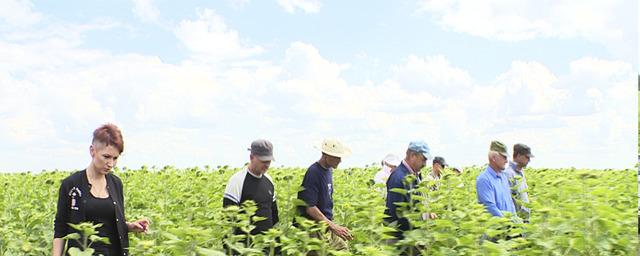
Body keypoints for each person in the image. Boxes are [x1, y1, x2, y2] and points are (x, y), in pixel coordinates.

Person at [53, 124, 149, 256]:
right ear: (92, 151)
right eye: (106, 156)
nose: (111, 163)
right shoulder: (71, 184)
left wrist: (129, 226)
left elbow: (109, 223)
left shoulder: (116, 184)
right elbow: (61, 227)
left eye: (115, 158)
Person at [297, 138, 353, 251]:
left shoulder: (328, 170)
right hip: (313, 227)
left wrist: (332, 225)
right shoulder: (313, 172)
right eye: (337, 157)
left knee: (342, 248)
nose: (340, 160)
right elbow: (310, 207)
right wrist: (334, 227)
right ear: (326, 156)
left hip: (325, 224)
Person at [223, 139, 279, 236]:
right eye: (263, 161)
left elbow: (273, 213)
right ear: (251, 157)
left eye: (269, 161)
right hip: (245, 247)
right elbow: (228, 219)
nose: (266, 165)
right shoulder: (237, 181)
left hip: (267, 243)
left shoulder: (269, 180)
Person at [384, 141, 437, 240]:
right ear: (413, 156)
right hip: (400, 238)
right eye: (423, 160)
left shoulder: (414, 174)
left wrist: (426, 214)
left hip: (411, 234)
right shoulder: (399, 177)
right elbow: (397, 214)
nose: (425, 164)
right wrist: (423, 218)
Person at [476, 140, 516, 217]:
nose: (507, 161)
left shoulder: (504, 177)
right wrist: (506, 222)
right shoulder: (484, 179)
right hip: (497, 226)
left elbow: (510, 203)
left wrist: (515, 220)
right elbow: (489, 207)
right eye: (504, 157)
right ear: (494, 158)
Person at [504, 143, 533, 221]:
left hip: (524, 221)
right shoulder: (508, 174)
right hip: (515, 222)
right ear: (519, 155)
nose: (529, 160)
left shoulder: (521, 173)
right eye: (527, 157)